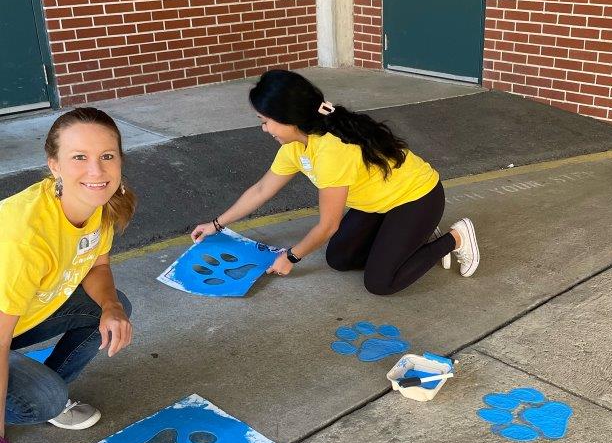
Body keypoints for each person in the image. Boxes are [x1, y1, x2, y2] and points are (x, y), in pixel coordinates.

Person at [191, 69, 479, 294]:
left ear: (289, 118)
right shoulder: (295, 145)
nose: (263, 128)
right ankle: (409, 237)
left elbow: (329, 225)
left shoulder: (331, 150)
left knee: (381, 283)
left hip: (417, 198)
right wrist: (216, 224)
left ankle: (455, 238)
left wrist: (291, 257)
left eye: (265, 120)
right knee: (339, 259)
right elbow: (261, 189)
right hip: (376, 205)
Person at [0, 108, 135, 443]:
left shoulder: (99, 203)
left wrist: (111, 306)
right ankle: (38, 394)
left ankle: (45, 382)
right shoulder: (26, 236)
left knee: (112, 306)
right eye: (79, 157)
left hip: (17, 316)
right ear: (54, 165)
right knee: (43, 402)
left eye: (107, 156)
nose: (96, 171)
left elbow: (96, 266)